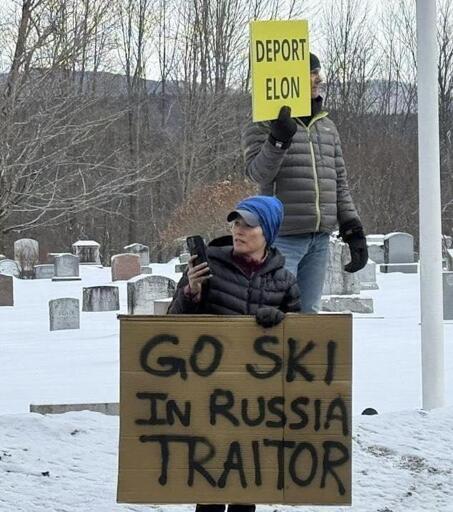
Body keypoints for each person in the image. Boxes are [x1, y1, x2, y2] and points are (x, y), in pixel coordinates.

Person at [168, 195, 301, 512]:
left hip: (257, 402)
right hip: (209, 396)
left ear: (267, 232)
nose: (239, 230)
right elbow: (171, 328)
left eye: (249, 225)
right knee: (210, 488)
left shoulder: (285, 281)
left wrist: (280, 323)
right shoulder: (207, 266)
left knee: (246, 487)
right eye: (236, 223)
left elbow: (300, 344)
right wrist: (192, 292)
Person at [242, 52, 368, 313]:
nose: (318, 79)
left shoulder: (327, 127)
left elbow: (339, 183)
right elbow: (257, 174)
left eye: (318, 73)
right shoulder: (264, 122)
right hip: (283, 237)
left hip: (319, 238)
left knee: (308, 313)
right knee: (276, 311)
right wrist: (278, 140)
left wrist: (352, 228)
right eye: (312, 73)